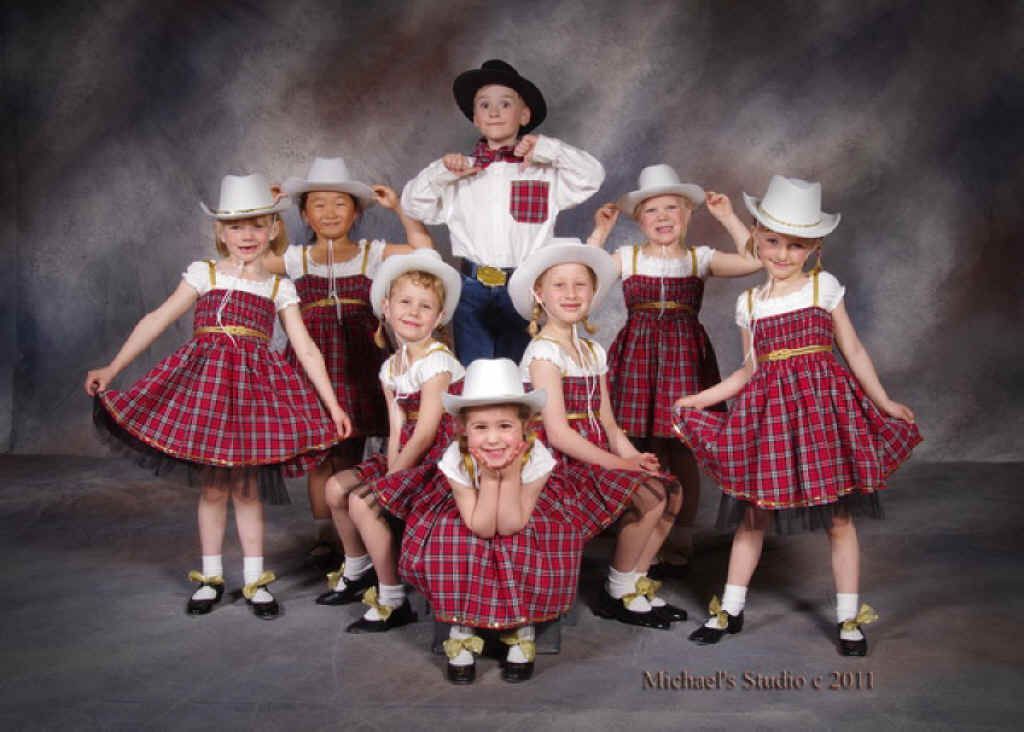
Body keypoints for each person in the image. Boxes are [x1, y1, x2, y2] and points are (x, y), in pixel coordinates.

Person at [673, 175, 922, 655]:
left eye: (795, 245)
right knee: (754, 515)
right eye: (772, 241)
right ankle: (731, 608)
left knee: (838, 519)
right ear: (757, 238)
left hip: (824, 417)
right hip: (771, 419)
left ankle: (848, 618)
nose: (782, 254)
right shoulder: (750, 304)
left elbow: (853, 349)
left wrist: (885, 401)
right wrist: (700, 399)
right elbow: (748, 371)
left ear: (814, 248)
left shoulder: (822, 287)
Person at [86, 173, 351, 619]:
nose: (246, 235)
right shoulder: (204, 273)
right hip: (206, 391)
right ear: (220, 232)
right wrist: (111, 368)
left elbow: (305, 348)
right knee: (212, 491)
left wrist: (333, 404)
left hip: (252, 396)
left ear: (272, 228)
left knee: (246, 491)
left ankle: (254, 580)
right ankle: (210, 577)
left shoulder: (277, 287)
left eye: (256, 226)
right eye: (235, 227)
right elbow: (156, 320)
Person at [587, 163, 760, 571]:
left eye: (672, 208)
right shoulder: (627, 258)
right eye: (651, 210)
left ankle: (681, 532)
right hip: (637, 356)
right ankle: (638, 524)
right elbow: (582, 276)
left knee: (682, 446)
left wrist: (728, 217)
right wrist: (600, 233)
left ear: (687, 215)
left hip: (685, 356)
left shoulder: (700, 258)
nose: (662, 217)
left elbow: (755, 259)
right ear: (639, 220)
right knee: (639, 443)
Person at [509, 239, 687, 630]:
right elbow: (558, 433)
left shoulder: (591, 350)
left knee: (669, 489)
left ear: (593, 293)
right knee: (649, 496)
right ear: (539, 294)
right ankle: (617, 591)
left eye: (580, 285)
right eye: (559, 285)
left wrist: (632, 457)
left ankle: (635, 582)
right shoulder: (543, 354)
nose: (571, 294)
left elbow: (607, 422)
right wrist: (619, 464)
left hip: (596, 452)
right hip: (559, 463)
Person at [263, 156, 432, 558]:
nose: (329, 212)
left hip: (360, 363)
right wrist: (270, 211)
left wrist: (399, 209)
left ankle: (355, 534)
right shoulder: (297, 258)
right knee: (319, 454)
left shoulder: (371, 254)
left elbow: (424, 251)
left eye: (340, 204)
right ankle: (325, 536)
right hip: (311, 366)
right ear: (304, 214)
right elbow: (252, 258)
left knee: (350, 449)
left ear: (356, 213)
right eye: (318, 204)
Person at [401, 59, 604, 365]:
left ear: (524, 115)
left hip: (524, 285)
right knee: (474, 371)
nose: (494, 112)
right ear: (475, 118)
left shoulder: (543, 172)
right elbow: (413, 204)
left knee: (524, 370)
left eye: (505, 104)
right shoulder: (459, 173)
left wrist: (547, 149)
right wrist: (442, 172)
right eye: (485, 105)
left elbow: (592, 177)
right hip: (471, 289)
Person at [315, 250, 465, 634]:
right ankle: (358, 568)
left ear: (439, 317)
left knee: (363, 502)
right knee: (336, 488)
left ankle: (393, 598)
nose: (413, 312)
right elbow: (397, 428)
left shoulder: (437, 361)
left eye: (425, 306)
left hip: (441, 459)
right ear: (386, 307)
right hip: (408, 453)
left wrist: (392, 479)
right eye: (405, 302)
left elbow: (428, 431)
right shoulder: (392, 367)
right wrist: (390, 468)